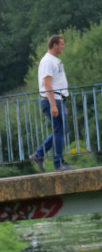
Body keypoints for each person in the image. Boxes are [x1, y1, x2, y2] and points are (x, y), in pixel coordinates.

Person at [31, 35, 76, 173]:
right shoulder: (47, 61)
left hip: (58, 100)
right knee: (60, 131)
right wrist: (54, 105)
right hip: (52, 100)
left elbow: (58, 83)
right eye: (62, 44)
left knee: (62, 130)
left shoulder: (54, 60)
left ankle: (39, 155)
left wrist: (63, 104)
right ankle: (58, 163)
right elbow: (47, 84)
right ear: (55, 45)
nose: (63, 46)